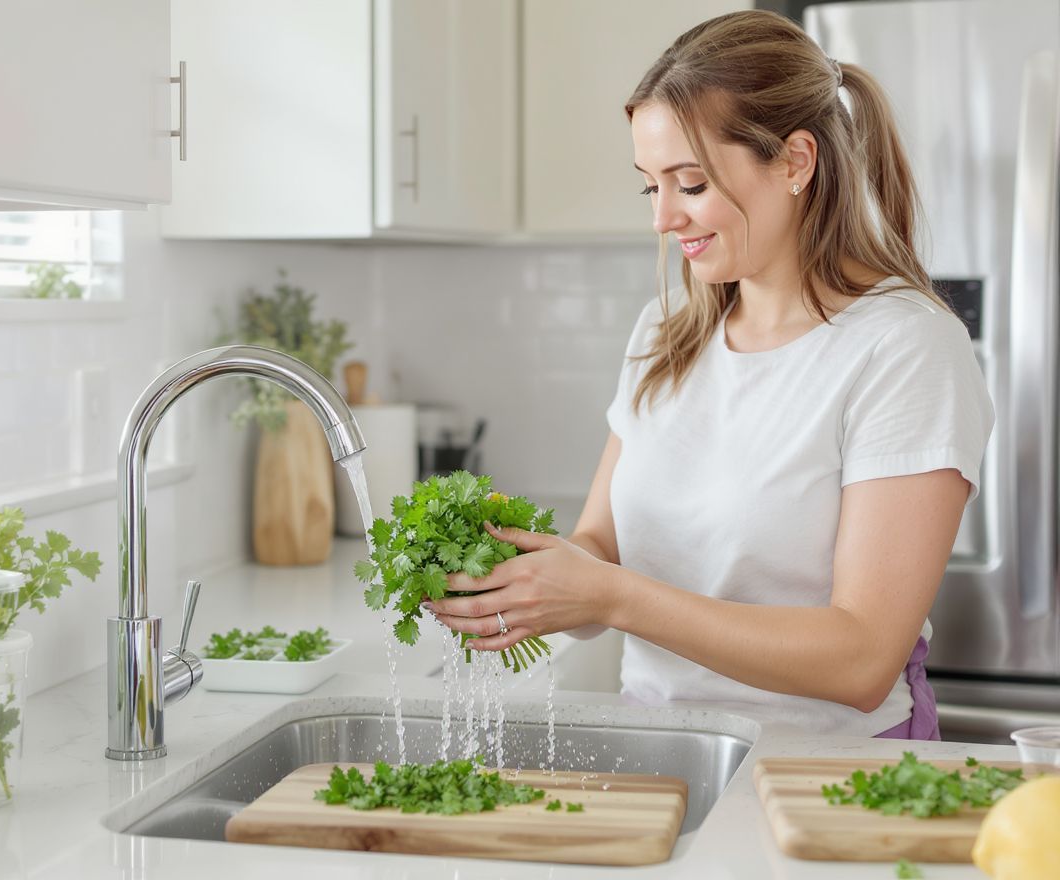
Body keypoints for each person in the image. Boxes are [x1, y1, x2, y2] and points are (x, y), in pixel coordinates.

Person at [423, 9, 994, 739]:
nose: (664, 218)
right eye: (649, 186)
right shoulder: (667, 334)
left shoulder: (905, 348)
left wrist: (612, 598)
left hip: (830, 778)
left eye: (689, 184)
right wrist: (531, 570)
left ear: (795, 162)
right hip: (664, 753)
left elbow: (862, 659)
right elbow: (603, 547)